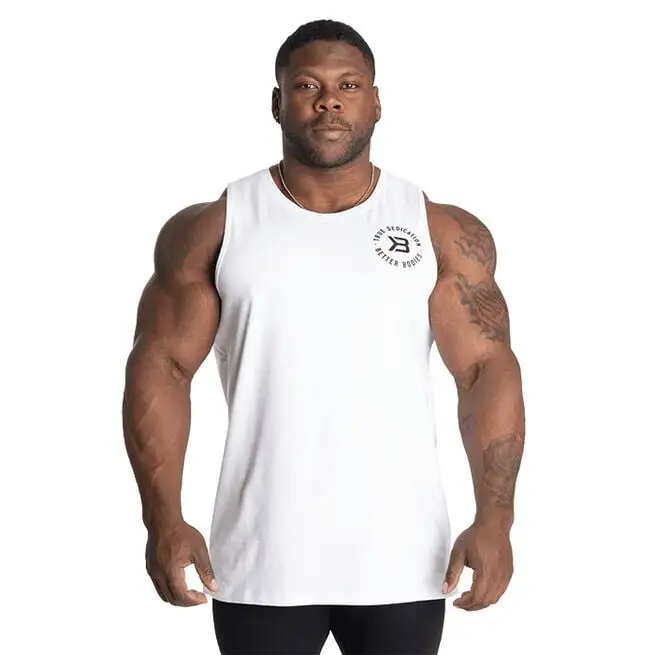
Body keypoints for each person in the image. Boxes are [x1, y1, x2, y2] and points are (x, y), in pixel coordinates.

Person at [122, 18, 526, 654]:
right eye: (308, 85)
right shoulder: (214, 228)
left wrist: (496, 518)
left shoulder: (441, 231)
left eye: (349, 85)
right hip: (259, 559)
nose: (329, 100)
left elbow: (484, 372)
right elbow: (162, 368)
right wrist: (163, 518)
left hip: (404, 559)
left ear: (376, 102)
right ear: (277, 102)